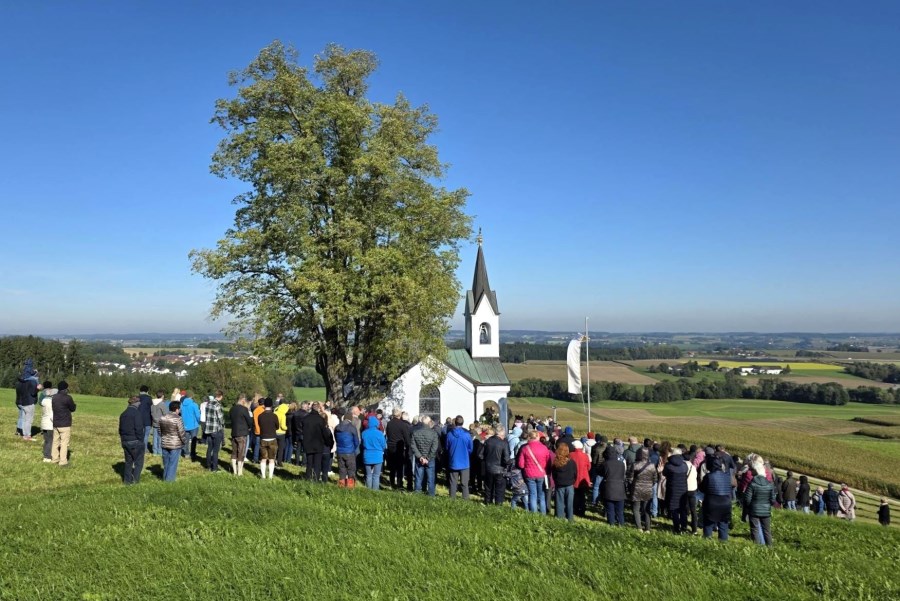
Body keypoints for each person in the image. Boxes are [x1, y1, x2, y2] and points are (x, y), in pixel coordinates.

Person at [743, 458, 776, 546]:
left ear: (756, 471)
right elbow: (773, 500)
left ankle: (757, 548)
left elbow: (747, 499)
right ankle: (770, 548)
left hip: (754, 510)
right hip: (766, 511)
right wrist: (767, 505)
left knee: (755, 530)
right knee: (767, 531)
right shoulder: (769, 484)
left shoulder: (752, 483)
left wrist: (750, 506)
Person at [518, 430, 553, 514]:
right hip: (541, 474)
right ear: (538, 437)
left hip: (529, 474)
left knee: (532, 494)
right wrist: (547, 472)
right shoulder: (544, 448)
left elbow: (521, 465)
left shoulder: (525, 448)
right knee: (542, 495)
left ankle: (534, 513)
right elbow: (549, 462)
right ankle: (543, 513)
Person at [700, 454, 732, 541]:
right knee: (723, 524)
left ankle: (707, 541)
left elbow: (702, 488)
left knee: (708, 523)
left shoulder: (708, 476)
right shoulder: (727, 476)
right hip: (726, 502)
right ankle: (723, 543)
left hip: (712, 502)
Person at [118, 395, 145, 484]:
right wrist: (141, 440)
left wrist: (123, 439)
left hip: (125, 441)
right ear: (136, 403)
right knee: (138, 462)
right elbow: (139, 429)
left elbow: (120, 429)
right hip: (135, 441)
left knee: (128, 462)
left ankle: (127, 481)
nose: (140, 404)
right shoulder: (137, 414)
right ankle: (135, 480)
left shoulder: (123, 414)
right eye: (139, 402)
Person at [630, 448, 658, 532]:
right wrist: (649, 484)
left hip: (636, 489)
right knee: (646, 509)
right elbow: (655, 479)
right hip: (647, 489)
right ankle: (648, 528)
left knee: (636, 509)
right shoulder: (652, 466)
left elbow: (630, 478)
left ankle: (639, 527)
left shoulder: (635, 465)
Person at [445, 415, 473, 500]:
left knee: (453, 482)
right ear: (463, 423)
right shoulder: (467, 435)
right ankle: (465, 500)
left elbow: (447, 447)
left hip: (453, 460)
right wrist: (466, 453)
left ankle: (452, 499)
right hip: (464, 461)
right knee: (464, 483)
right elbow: (470, 448)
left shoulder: (449, 434)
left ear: (455, 422)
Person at [410, 415, 439, 496]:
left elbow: (413, 446)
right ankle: (431, 494)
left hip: (420, 458)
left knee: (418, 476)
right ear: (429, 422)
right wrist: (428, 458)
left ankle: (417, 492)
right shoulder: (433, 433)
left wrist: (420, 457)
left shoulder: (415, 432)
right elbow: (434, 447)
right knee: (431, 477)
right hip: (430, 458)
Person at [663, 448, 690, 534]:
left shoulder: (668, 465)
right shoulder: (684, 465)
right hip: (683, 489)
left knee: (674, 508)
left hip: (672, 489)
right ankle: (684, 527)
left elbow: (664, 473)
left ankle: (676, 527)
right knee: (683, 509)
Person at [159, 401, 186, 482]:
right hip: (175, 444)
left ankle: (165, 478)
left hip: (164, 443)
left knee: (166, 462)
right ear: (177, 409)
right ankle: (169, 481)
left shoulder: (162, 417)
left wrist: (164, 437)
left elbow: (159, 431)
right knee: (173, 463)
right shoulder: (178, 418)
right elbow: (181, 432)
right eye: (179, 408)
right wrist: (184, 441)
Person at [302, 402, 329, 481]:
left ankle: (308, 477)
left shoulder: (305, 418)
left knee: (309, 462)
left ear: (311, 408)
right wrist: (327, 441)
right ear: (318, 409)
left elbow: (302, 430)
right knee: (317, 463)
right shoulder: (321, 420)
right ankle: (316, 478)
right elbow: (324, 432)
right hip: (318, 443)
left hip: (308, 443)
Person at [482, 427, 510, 505]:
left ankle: (488, 502)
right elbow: (506, 459)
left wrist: (487, 459)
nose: (504, 437)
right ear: (501, 434)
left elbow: (480, 455)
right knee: (499, 489)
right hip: (500, 469)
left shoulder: (487, 441)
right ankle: (498, 504)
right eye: (504, 435)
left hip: (489, 468)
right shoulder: (504, 443)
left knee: (488, 487)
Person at [51, 381, 76, 467]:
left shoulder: (54, 397)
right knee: (64, 443)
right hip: (64, 423)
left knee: (55, 442)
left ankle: (54, 459)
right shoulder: (67, 398)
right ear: (66, 389)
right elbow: (72, 408)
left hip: (56, 423)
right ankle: (63, 461)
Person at [386, 408, 412, 490]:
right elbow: (406, 437)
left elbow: (388, 434)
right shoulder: (402, 424)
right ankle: (399, 484)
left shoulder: (389, 423)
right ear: (400, 414)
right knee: (399, 467)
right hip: (399, 447)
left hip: (391, 446)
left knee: (392, 467)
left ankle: (392, 483)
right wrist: (408, 446)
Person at [601, 445, 626, 526]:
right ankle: (621, 523)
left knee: (610, 508)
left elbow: (600, 472)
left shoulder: (605, 464)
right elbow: (623, 474)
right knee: (620, 510)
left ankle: (611, 523)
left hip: (609, 487)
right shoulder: (621, 464)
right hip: (620, 487)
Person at [335, 410, 360, 488]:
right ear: (350, 419)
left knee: (342, 469)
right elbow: (356, 441)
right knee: (351, 470)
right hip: (349, 451)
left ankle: (341, 486)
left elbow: (336, 438)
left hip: (340, 451)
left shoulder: (337, 427)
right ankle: (350, 487)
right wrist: (353, 448)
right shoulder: (352, 427)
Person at [15, 359, 39, 440]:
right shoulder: (32, 381)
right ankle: (27, 435)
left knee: (23, 418)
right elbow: (33, 393)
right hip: (29, 402)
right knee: (28, 420)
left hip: (20, 401)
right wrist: (38, 389)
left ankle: (22, 433)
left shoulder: (20, 381)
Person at [361, 415, 387, 490]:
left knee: (368, 475)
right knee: (376, 475)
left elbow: (362, 444)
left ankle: (368, 491)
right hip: (377, 455)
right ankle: (375, 491)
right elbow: (383, 445)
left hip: (367, 455)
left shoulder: (364, 433)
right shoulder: (379, 433)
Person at [229, 394, 253, 476]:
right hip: (242, 433)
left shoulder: (232, 409)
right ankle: (240, 472)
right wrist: (249, 427)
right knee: (241, 453)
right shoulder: (244, 409)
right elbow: (249, 421)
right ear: (243, 401)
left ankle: (234, 471)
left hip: (234, 432)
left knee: (234, 452)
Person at [257, 398, 279, 480]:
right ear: (271, 405)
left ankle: (263, 476)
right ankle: (270, 477)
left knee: (263, 459)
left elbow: (259, 425)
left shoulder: (260, 416)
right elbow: (277, 427)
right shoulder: (274, 416)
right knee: (271, 459)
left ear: (264, 405)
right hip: (272, 438)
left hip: (263, 438)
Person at [204, 391, 226, 472]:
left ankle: (208, 465)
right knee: (216, 450)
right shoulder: (217, 405)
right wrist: (223, 425)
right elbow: (221, 419)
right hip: (216, 429)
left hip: (208, 429)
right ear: (221, 396)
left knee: (209, 448)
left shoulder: (208, 404)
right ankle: (214, 468)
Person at [570, 440, 592, 517]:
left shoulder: (571, 455)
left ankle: (574, 509)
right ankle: (582, 510)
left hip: (573, 478)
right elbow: (589, 467)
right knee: (582, 495)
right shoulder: (585, 456)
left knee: (574, 495)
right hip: (583, 478)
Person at [179, 391, 201, 460]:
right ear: (191, 396)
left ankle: (186, 453)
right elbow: (198, 415)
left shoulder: (182, 404)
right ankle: (193, 454)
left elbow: (181, 413)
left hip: (185, 424)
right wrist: (199, 422)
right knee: (193, 440)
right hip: (193, 425)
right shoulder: (194, 404)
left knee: (186, 440)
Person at [39, 381, 57, 462]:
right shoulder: (51, 402)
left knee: (46, 440)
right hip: (50, 423)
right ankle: (48, 456)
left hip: (44, 422)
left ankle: (45, 455)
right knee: (50, 440)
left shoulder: (43, 401)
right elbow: (52, 414)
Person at [150, 390, 168, 456]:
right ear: (162, 396)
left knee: (155, 437)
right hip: (161, 423)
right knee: (160, 438)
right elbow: (166, 414)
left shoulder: (152, 404)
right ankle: (160, 451)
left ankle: (154, 451)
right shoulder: (162, 404)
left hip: (154, 422)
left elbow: (151, 413)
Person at [274, 396, 290, 467]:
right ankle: (279, 461)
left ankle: (272, 460)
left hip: (274, 432)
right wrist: (287, 428)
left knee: (274, 447)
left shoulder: (275, 412)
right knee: (280, 448)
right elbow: (283, 426)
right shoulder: (283, 415)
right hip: (281, 433)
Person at [137, 385, 153, 453]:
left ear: (140, 391)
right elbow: (151, 409)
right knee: (146, 435)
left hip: (138, 419)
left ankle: (139, 447)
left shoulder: (136, 398)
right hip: (147, 419)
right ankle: (145, 449)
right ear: (147, 391)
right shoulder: (149, 398)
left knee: (139, 435)